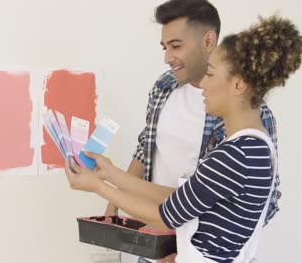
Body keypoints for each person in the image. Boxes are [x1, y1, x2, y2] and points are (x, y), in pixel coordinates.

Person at [67, 15, 301, 263]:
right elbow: (181, 198)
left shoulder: (233, 157)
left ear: (238, 85)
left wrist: (97, 187)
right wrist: (111, 174)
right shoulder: (255, 146)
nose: (203, 85)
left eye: (210, 75)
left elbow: (163, 216)